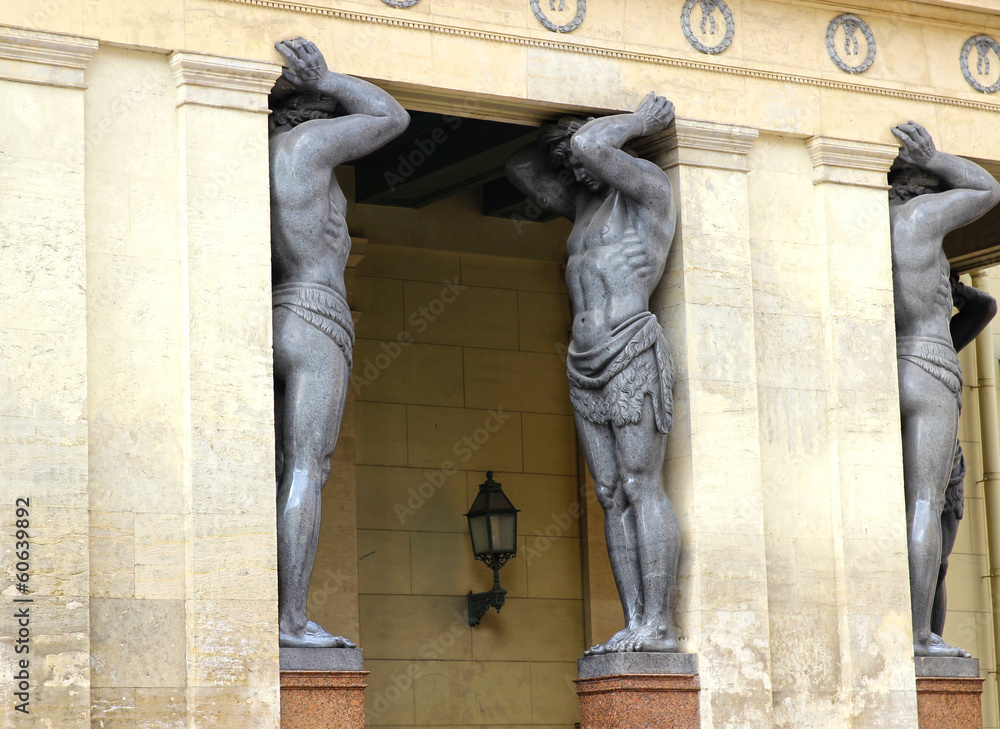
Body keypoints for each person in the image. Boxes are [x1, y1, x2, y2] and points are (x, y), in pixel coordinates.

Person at [506, 93, 679, 653]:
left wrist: (636, 124)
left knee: (639, 483)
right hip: (584, 360)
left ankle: (659, 622)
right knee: (608, 491)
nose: (578, 167)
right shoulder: (583, 210)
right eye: (572, 163)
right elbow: (520, 168)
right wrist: (571, 148)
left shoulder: (649, 192)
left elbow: (588, 143)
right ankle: (634, 621)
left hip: (629, 346)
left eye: (584, 158)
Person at [270, 37, 409, 648]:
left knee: (280, 469)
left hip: (276, 310)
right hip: (317, 312)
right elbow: (391, 116)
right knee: (307, 468)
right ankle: (291, 619)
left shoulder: (259, 155)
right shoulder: (307, 146)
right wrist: (330, 77)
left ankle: (278, 612)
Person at [888, 121, 1000, 657]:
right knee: (925, 502)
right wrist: (935, 156)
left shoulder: (867, 224)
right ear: (922, 185)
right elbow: (986, 188)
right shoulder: (919, 221)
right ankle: (918, 635)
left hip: (889, 366)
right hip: (930, 366)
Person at [930, 275, 997, 639]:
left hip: (949, 466)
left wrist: (956, 290)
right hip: (913, 466)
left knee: (938, 566)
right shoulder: (905, 344)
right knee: (922, 566)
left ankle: (930, 642)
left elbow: (985, 306)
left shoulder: (943, 342)